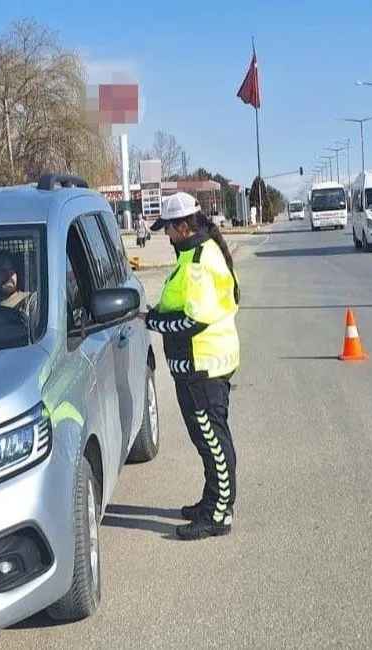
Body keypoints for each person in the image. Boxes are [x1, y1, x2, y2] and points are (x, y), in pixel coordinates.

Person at [139, 192, 241, 541]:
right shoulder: (198, 253)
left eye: (168, 229)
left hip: (203, 365)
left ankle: (218, 515)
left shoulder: (198, 261)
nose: (165, 236)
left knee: (211, 440)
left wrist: (152, 322)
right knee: (210, 438)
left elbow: (193, 320)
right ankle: (214, 501)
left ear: (183, 226)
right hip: (202, 363)